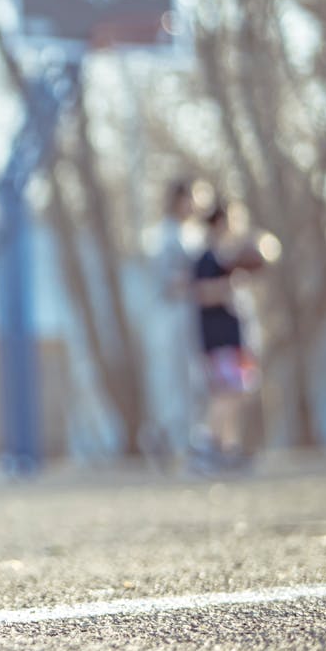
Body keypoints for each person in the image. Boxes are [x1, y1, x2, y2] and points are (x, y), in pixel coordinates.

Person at [191, 199, 262, 470]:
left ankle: (227, 450)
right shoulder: (208, 258)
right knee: (225, 393)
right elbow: (201, 293)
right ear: (220, 222)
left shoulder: (230, 257)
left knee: (238, 393)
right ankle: (205, 444)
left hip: (235, 338)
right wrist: (228, 285)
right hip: (219, 339)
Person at [142, 178, 200, 463]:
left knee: (189, 380)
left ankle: (178, 439)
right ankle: (167, 438)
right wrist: (203, 283)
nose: (196, 205)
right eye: (191, 198)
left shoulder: (190, 234)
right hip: (171, 315)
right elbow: (168, 281)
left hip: (186, 314)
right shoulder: (166, 236)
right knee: (175, 381)